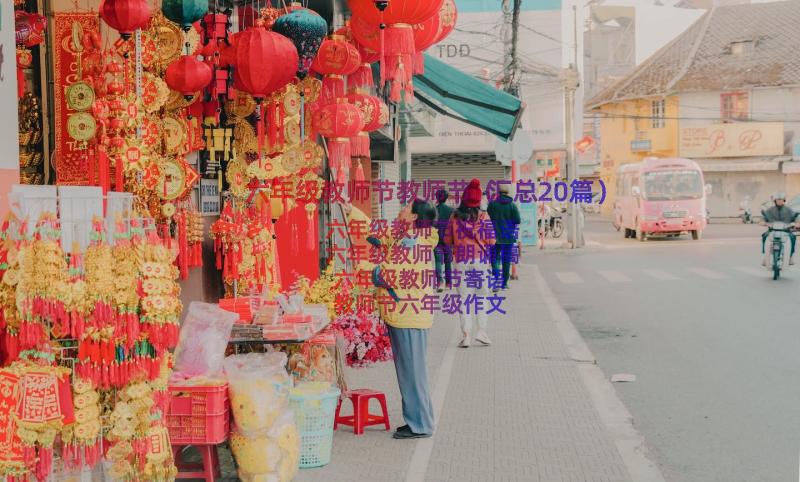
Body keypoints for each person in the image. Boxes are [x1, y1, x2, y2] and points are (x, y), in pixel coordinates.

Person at [343, 199, 438, 440]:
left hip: (409, 316)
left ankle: (421, 424)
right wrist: (351, 211)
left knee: (413, 373)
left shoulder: (413, 244)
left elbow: (392, 275)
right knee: (410, 372)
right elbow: (379, 233)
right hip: (404, 314)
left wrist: (364, 267)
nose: (402, 209)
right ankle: (418, 420)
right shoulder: (404, 236)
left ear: (415, 217)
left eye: (407, 207)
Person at [444, 178, 496, 348]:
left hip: (461, 261)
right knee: (481, 296)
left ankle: (466, 335)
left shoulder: (454, 216)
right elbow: (492, 240)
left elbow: (447, 239)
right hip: (480, 261)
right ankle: (481, 332)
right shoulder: (484, 216)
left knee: (464, 298)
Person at [487, 183, 521, 291]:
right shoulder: (512, 205)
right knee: (506, 260)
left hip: (494, 237)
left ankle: (496, 280)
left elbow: (487, 219)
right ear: (508, 193)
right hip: (508, 237)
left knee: (495, 259)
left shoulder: (492, 204)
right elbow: (518, 220)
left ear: (498, 192)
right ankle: (504, 283)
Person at [760, 192, 799, 264]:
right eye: (778, 200)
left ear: (784, 200)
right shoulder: (770, 210)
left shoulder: (789, 210)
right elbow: (763, 219)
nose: (779, 201)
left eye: (781, 200)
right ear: (775, 201)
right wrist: (763, 223)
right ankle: (765, 256)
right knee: (764, 236)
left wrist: (796, 224)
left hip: (786, 231)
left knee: (793, 237)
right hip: (772, 231)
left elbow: (796, 218)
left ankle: (790, 256)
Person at [433, 189, 454, 292]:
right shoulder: (451, 210)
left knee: (438, 261)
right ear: (446, 198)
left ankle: (440, 283)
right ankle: (448, 284)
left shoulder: (433, 210)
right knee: (448, 262)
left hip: (436, 239)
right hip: (448, 240)